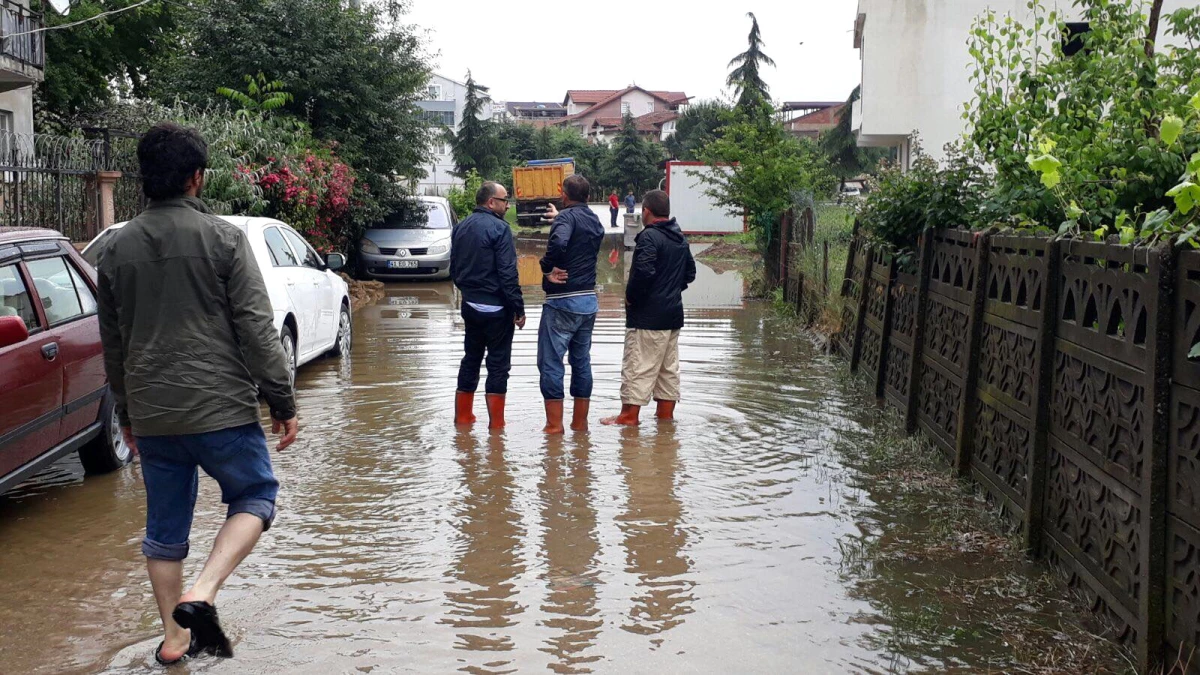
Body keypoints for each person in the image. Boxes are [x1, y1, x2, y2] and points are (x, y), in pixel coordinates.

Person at [96, 122, 299, 665]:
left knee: (164, 531)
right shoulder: (225, 238)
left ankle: (173, 641)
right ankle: (202, 593)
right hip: (221, 409)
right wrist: (281, 401)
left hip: (153, 414)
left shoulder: (113, 250)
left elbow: (112, 343)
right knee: (255, 496)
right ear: (196, 178)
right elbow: (257, 330)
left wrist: (128, 414)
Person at [602, 189, 696, 426]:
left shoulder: (649, 237)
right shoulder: (679, 237)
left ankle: (628, 418)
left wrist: (631, 297)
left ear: (646, 211)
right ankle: (664, 419)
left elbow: (643, 271)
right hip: (672, 316)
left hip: (647, 318)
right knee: (667, 371)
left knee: (637, 368)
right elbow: (690, 274)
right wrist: (670, 290)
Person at [451, 181, 526, 429]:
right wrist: (518, 307)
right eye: (505, 200)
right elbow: (507, 274)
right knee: (498, 365)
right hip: (497, 310)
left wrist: (468, 293)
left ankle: (463, 418)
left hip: (471, 306)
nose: (508, 205)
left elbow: (455, 268)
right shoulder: (500, 229)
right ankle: (497, 426)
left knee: (471, 358)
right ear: (491, 202)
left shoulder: (461, 226)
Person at [537, 174, 605, 433]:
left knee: (551, 362)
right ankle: (580, 424)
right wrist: (560, 216)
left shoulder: (566, 218)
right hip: (588, 301)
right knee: (581, 361)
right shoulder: (594, 220)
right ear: (587, 196)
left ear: (564, 195)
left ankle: (554, 427)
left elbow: (560, 241)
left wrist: (547, 268)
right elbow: (574, 232)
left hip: (562, 300)